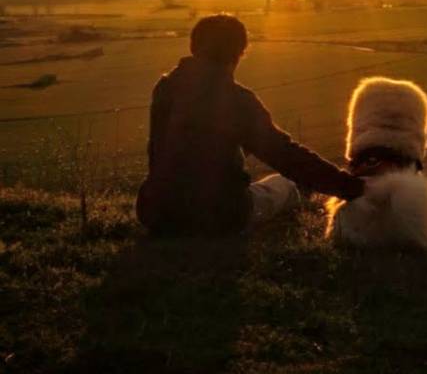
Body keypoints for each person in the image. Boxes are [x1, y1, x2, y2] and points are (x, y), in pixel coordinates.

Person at [136, 13, 364, 236]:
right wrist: (350, 187)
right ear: (239, 53)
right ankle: (297, 196)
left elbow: (185, 142)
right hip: (221, 217)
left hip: (156, 213)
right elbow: (286, 155)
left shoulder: (165, 88)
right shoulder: (238, 100)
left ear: (193, 47)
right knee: (285, 185)